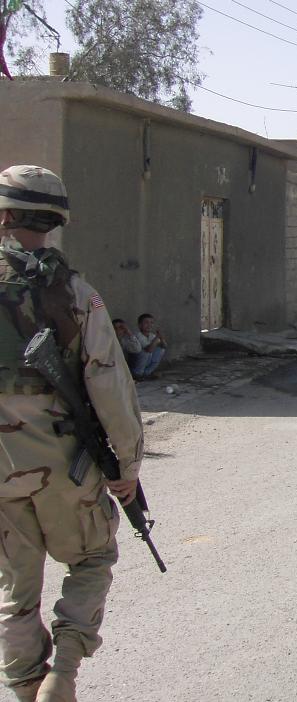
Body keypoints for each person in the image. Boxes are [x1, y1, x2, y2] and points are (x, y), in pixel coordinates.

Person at [0, 165, 144, 701]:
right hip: (60, 459)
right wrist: (126, 467)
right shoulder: (76, 293)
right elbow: (110, 385)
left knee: (16, 590)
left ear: (5, 214)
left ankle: (23, 684)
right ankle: (61, 670)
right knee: (92, 558)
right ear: (55, 221)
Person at [131, 313, 166, 380]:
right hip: (136, 364)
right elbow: (148, 350)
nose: (149, 325)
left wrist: (161, 338)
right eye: (146, 322)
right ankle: (138, 374)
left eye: (151, 323)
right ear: (140, 325)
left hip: (146, 362)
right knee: (146, 352)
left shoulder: (151, 335)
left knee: (161, 349)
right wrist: (157, 337)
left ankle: (146, 373)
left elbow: (164, 346)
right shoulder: (137, 335)